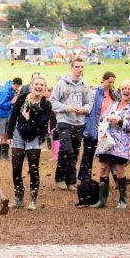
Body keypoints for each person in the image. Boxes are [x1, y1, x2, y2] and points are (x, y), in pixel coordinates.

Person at [88, 80, 130, 209]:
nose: (126, 90)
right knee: (103, 169)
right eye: (123, 88)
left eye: (129, 88)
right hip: (107, 142)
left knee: (119, 170)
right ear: (120, 90)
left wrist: (120, 121)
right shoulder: (113, 104)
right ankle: (102, 201)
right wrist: (106, 119)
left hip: (122, 144)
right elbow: (103, 117)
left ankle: (122, 201)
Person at [6, 74, 51, 211]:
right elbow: (13, 116)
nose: (38, 87)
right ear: (32, 86)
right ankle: (18, 198)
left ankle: (32, 199)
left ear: (44, 88)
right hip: (19, 134)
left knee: (33, 168)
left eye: (41, 85)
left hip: (34, 137)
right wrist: (9, 134)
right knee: (16, 168)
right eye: (36, 84)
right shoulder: (22, 98)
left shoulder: (46, 104)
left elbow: (41, 123)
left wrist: (29, 117)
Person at [49, 57, 93, 191]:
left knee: (74, 152)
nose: (79, 69)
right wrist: (66, 108)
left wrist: (84, 109)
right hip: (64, 121)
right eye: (77, 66)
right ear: (71, 68)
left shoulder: (85, 85)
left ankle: (71, 181)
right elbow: (52, 101)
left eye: (81, 67)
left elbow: (89, 103)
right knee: (66, 149)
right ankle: (60, 178)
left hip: (79, 123)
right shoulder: (61, 84)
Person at [79, 71, 116, 183]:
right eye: (109, 82)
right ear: (103, 80)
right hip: (93, 127)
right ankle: (85, 179)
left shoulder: (114, 95)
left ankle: (117, 178)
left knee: (110, 154)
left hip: (107, 129)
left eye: (113, 82)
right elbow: (87, 109)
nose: (111, 84)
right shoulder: (94, 93)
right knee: (88, 154)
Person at [0, 77, 20, 160]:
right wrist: (12, 102)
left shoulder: (12, 90)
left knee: (6, 134)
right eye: (17, 87)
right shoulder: (5, 91)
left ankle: (5, 155)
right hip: (1, 115)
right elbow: (0, 104)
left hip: (8, 115)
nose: (17, 88)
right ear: (14, 84)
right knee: (0, 135)